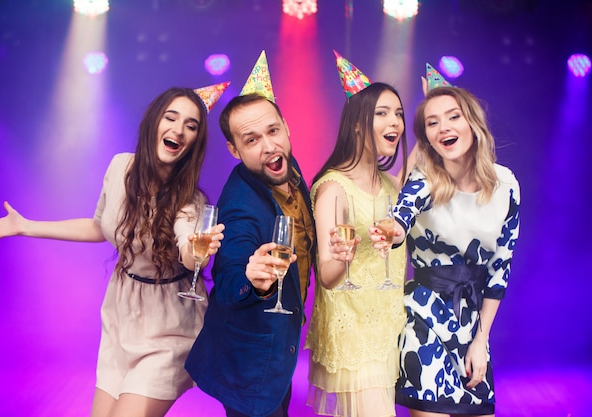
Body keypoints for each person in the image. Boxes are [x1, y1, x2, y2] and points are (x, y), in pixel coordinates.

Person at [0, 84, 229, 417]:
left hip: (170, 323)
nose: (179, 130)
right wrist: (27, 226)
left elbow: (188, 246)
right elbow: (99, 226)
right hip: (122, 313)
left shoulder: (190, 201)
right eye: (171, 118)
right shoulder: (120, 168)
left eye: (191, 125)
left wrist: (198, 249)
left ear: (195, 141)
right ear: (154, 122)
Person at [372, 83, 521, 416]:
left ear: (473, 123)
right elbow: (402, 215)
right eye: (433, 122)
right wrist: (393, 231)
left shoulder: (506, 185)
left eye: (453, 116)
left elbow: (500, 271)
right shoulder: (424, 179)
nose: (444, 127)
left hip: (471, 323)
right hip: (424, 317)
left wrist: (481, 340)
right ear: (426, 137)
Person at [185, 51, 316, 417]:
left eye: (273, 131)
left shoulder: (286, 168)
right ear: (234, 149)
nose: (269, 146)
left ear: (285, 127)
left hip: (280, 344)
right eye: (252, 140)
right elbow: (226, 280)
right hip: (250, 364)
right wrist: (251, 279)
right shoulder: (241, 204)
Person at [305, 51, 410, 417]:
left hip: (391, 330)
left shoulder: (394, 187)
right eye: (381, 112)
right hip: (355, 338)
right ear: (356, 124)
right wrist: (341, 255)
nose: (394, 120)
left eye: (397, 113)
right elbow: (329, 279)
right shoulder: (334, 188)